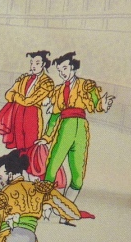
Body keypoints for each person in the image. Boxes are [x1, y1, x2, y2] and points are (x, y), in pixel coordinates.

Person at [36, 51, 113, 203]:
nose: (62, 73)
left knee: (78, 174)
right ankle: (46, 204)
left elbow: (96, 105)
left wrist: (103, 105)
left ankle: (67, 205)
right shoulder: (58, 90)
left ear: (73, 67)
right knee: (52, 167)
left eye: (64, 68)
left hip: (81, 129)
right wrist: (46, 137)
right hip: (65, 127)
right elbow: (54, 116)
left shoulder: (86, 85)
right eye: (59, 71)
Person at [0, 50, 55, 152]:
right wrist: (19, 97)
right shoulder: (24, 78)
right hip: (18, 114)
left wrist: (16, 96)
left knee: (31, 143)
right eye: (32, 63)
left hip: (32, 114)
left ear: (43, 64)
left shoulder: (47, 82)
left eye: (37, 63)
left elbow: (29, 101)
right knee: (19, 144)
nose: (33, 66)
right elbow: (8, 94)